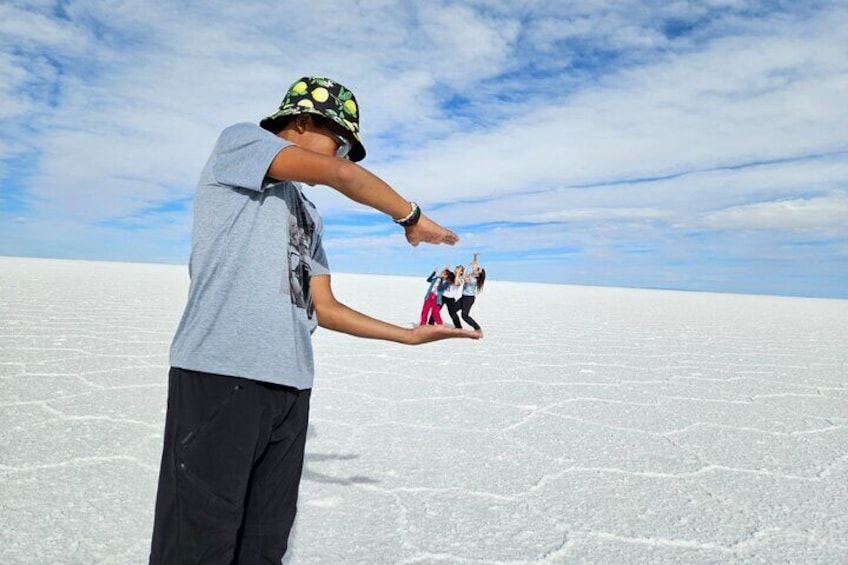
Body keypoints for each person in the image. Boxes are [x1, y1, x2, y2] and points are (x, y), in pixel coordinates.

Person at [149, 76, 482, 565]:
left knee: (264, 546)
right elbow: (341, 176)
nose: (343, 156)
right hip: (221, 376)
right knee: (197, 545)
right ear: (302, 122)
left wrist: (408, 336)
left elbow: (322, 306)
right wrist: (410, 217)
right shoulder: (241, 143)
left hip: (290, 390)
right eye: (341, 142)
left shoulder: (306, 212)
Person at [459, 253, 486, 333]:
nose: (476, 269)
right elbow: (475, 264)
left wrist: (466, 266)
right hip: (463, 297)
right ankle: (457, 327)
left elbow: (464, 277)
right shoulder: (473, 274)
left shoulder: (474, 280)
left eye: (478, 270)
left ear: (479, 274)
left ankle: (477, 328)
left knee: (464, 315)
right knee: (452, 309)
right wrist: (475, 257)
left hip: (469, 299)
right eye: (477, 268)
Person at [442, 264, 465, 328]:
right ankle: (431, 324)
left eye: (459, 269)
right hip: (443, 296)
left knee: (452, 313)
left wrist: (457, 274)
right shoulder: (451, 275)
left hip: (451, 299)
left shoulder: (461, 279)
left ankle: (459, 327)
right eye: (456, 268)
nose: (456, 269)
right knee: (436, 310)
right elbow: (443, 276)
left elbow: (456, 283)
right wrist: (445, 269)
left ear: (461, 272)